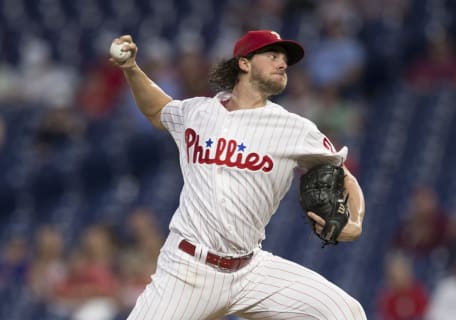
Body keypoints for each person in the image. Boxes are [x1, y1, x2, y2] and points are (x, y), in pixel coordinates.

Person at [110, 30, 366, 319]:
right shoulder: (198, 113)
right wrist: (131, 69)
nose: (282, 64)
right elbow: (157, 109)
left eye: (285, 60)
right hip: (187, 269)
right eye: (272, 56)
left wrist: (354, 222)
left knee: (345, 312)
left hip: (250, 270)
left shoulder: (294, 128)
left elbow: (343, 174)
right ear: (244, 63)